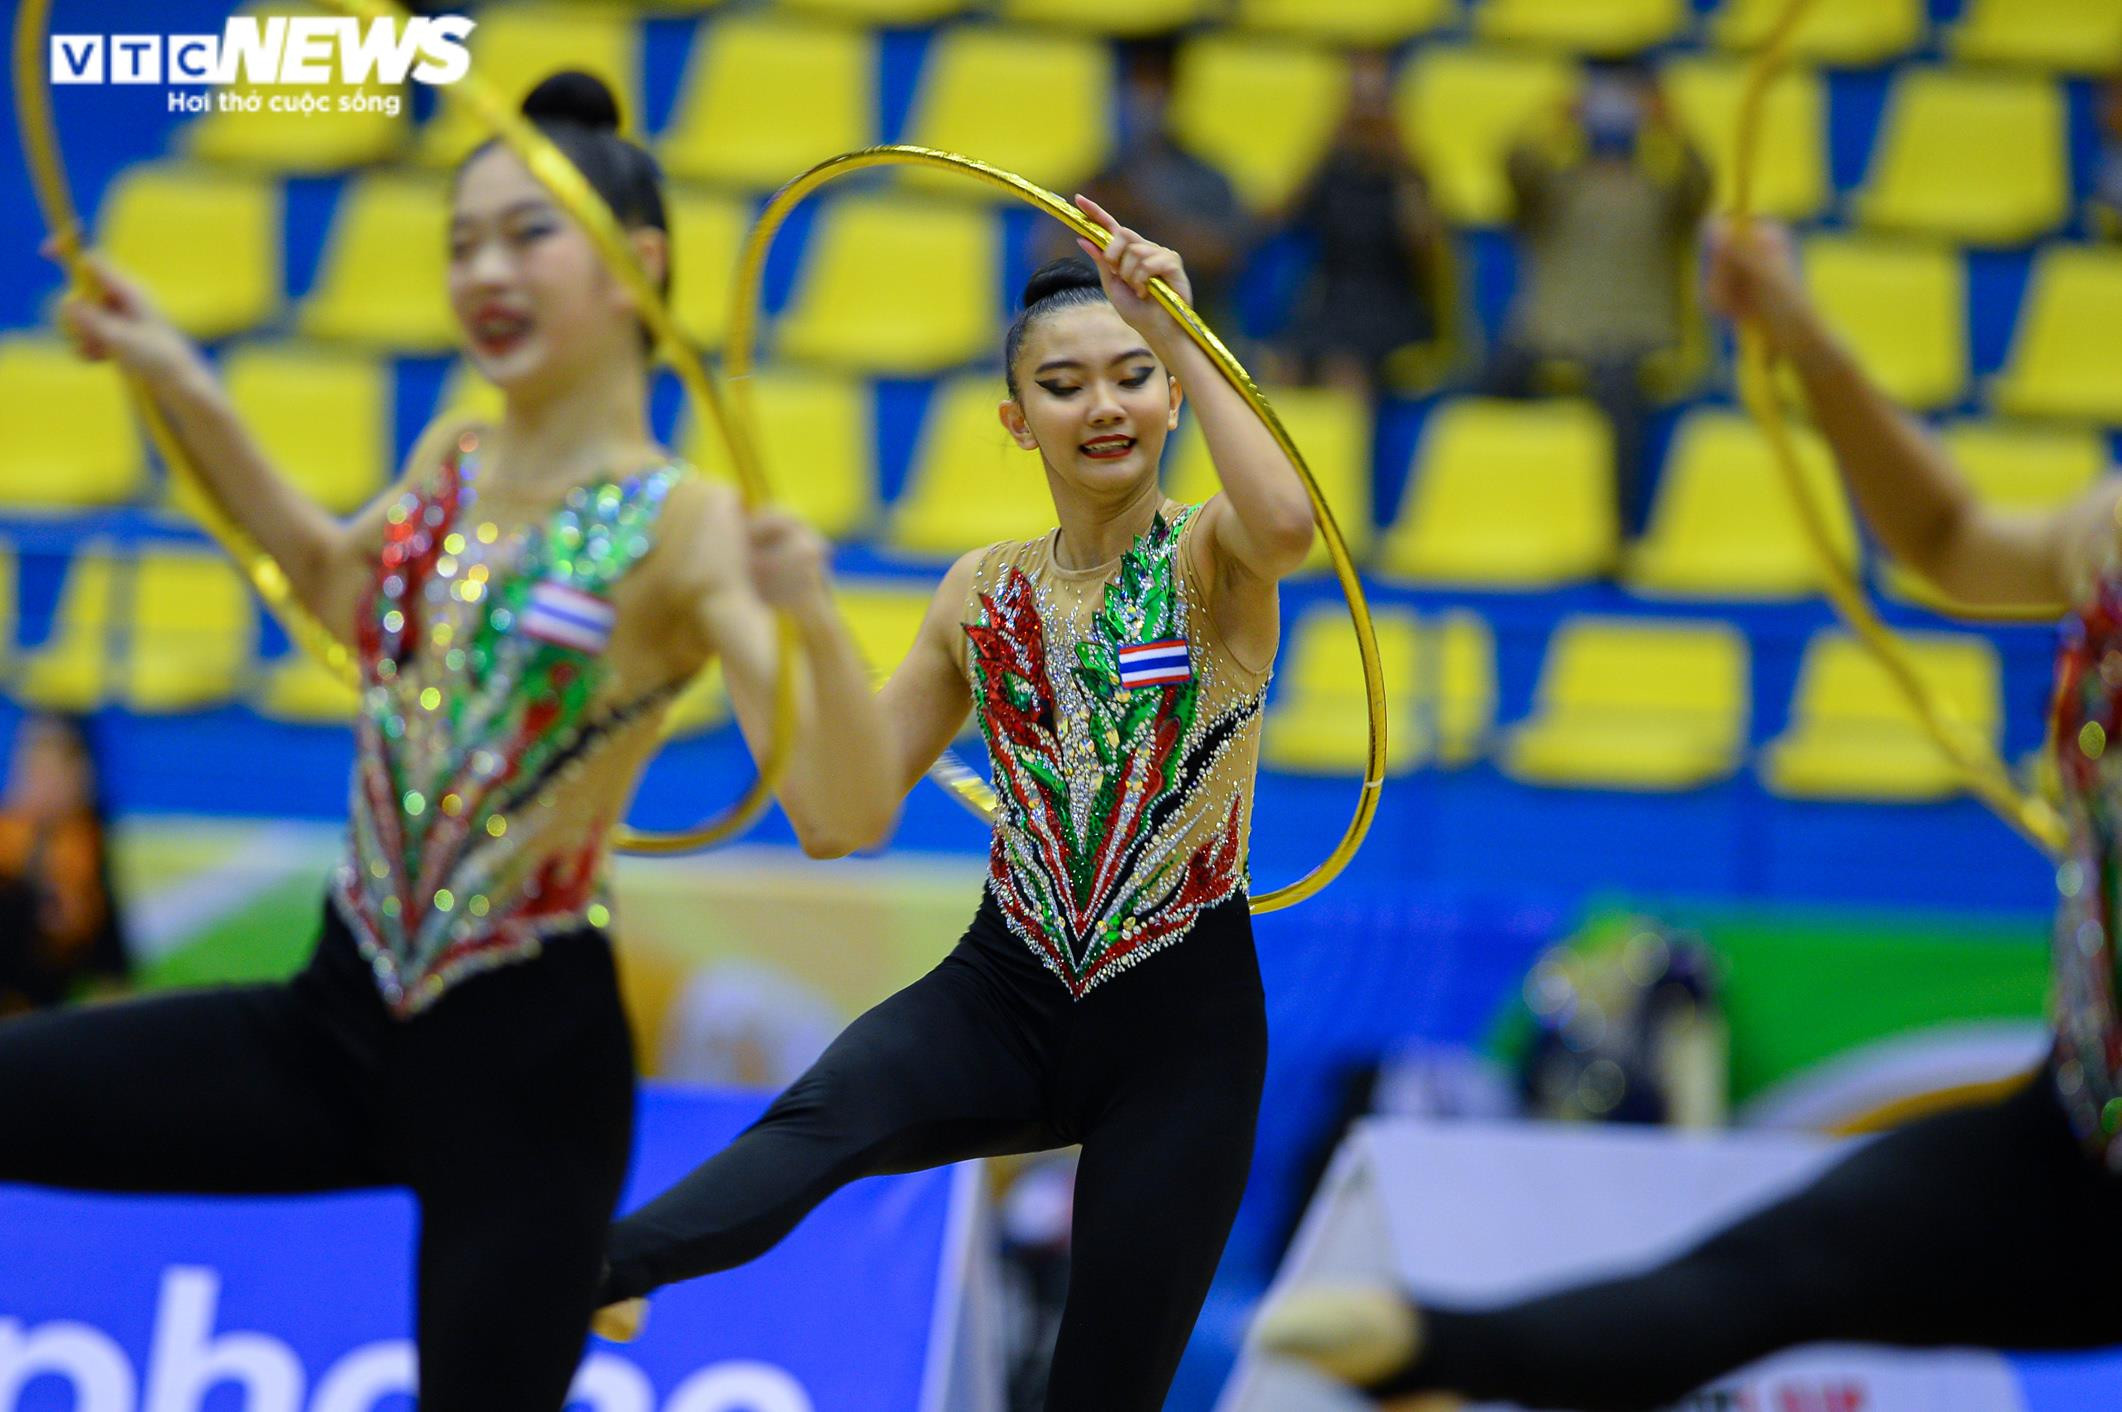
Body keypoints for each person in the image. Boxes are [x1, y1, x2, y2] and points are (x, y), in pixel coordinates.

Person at [1, 72, 895, 1411]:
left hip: (523, 1075)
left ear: (634, 268)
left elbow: (840, 811)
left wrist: (813, 616)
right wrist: (174, 374)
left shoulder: (686, 521)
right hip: (332, 1020)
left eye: (529, 233)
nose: (486, 268)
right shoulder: (455, 456)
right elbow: (333, 588)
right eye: (461, 240)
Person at [1252, 218, 2122, 1411]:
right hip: (2078, 1141)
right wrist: (1802, 336)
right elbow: (1948, 543)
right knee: (1772, 1269)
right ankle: (1433, 1356)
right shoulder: (2110, 531)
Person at [594, 200, 1317, 1412]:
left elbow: (1294, 523)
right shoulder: (978, 592)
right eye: (1065, 383)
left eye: (1134, 377)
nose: (1104, 405)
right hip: (1008, 988)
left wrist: (1183, 325)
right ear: (1014, 417)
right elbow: (839, 815)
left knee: (1101, 1387)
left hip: (1181, 1027)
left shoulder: (1212, 558)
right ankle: (590, 1271)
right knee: (818, 1118)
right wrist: (797, 618)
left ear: (1176, 398)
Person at [1485, 62, 1710, 538]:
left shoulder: (1659, 194)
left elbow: (1701, 184)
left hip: (1630, 337)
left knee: (1619, 395)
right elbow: (1511, 164)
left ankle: (1617, 530)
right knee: (1491, 384)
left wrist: (1671, 123)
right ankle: (1498, 513)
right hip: (1550, 331)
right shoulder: (1556, 188)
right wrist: (1552, 117)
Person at [1277, 51, 1447, 397]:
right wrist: (1325, 142)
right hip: (1334, 302)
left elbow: (1425, 253)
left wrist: (1402, 162)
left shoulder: (1407, 174)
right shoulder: (1332, 169)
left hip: (1391, 305)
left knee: (1343, 370)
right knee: (1280, 365)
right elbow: (1277, 219)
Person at [0, 713, 128, 1015]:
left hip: (37, 1020)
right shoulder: (9, 839)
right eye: (34, 765)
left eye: (53, 767)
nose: (40, 780)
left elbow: (112, 969)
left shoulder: (85, 850)